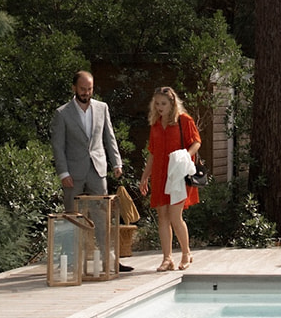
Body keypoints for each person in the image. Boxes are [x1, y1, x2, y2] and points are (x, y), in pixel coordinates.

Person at [50, 70, 130, 273]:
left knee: (102, 216)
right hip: (72, 172)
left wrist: (116, 163)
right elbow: (58, 146)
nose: (86, 93)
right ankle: (70, 262)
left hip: (97, 169)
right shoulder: (62, 113)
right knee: (71, 216)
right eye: (83, 89)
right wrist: (63, 173)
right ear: (74, 88)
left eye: (90, 89)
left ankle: (110, 260)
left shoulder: (102, 108)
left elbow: (109, 137)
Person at [136, 86, 198, 271]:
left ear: (172, 103)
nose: (159, 107)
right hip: (159, 175)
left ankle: (186, 253)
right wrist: (144, 177)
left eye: (163, 103)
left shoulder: (183, 120)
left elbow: (196, 141)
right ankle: (167, 258)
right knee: (162, 216)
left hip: (177, 174)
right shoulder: (155, 124)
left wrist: (185, 157)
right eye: (157, 104)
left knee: (175, 216)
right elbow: (153, 154)